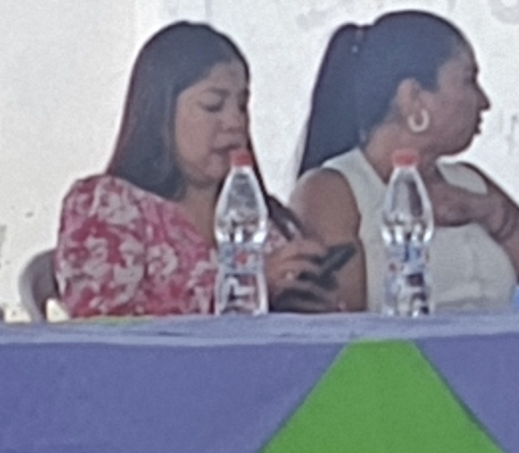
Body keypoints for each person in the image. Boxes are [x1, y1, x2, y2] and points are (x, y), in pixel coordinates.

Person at [290, 8, 519, 312]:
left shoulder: (469, 181)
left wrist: (496, 216)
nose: (484, 102)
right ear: (413, 97)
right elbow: (340, 320)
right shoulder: (333, 190)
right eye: (468, 81)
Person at [54, 21, 342, 319]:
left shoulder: (264, 218)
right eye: (213, 105)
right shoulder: (107, 205)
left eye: (242, 106)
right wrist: (247, 289)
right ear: (160, 113)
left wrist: (310, 300)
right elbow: (101, 323)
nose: (235, 122)